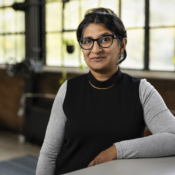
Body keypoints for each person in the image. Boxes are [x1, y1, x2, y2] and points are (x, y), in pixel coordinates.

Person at [36, 7, 175, 175]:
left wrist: (117, 150)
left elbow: (173, 137)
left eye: (105, 39)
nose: (96, 49)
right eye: (87, 41)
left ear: (122, 44)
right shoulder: (68, 89)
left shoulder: (141, 91)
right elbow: (49, 154)